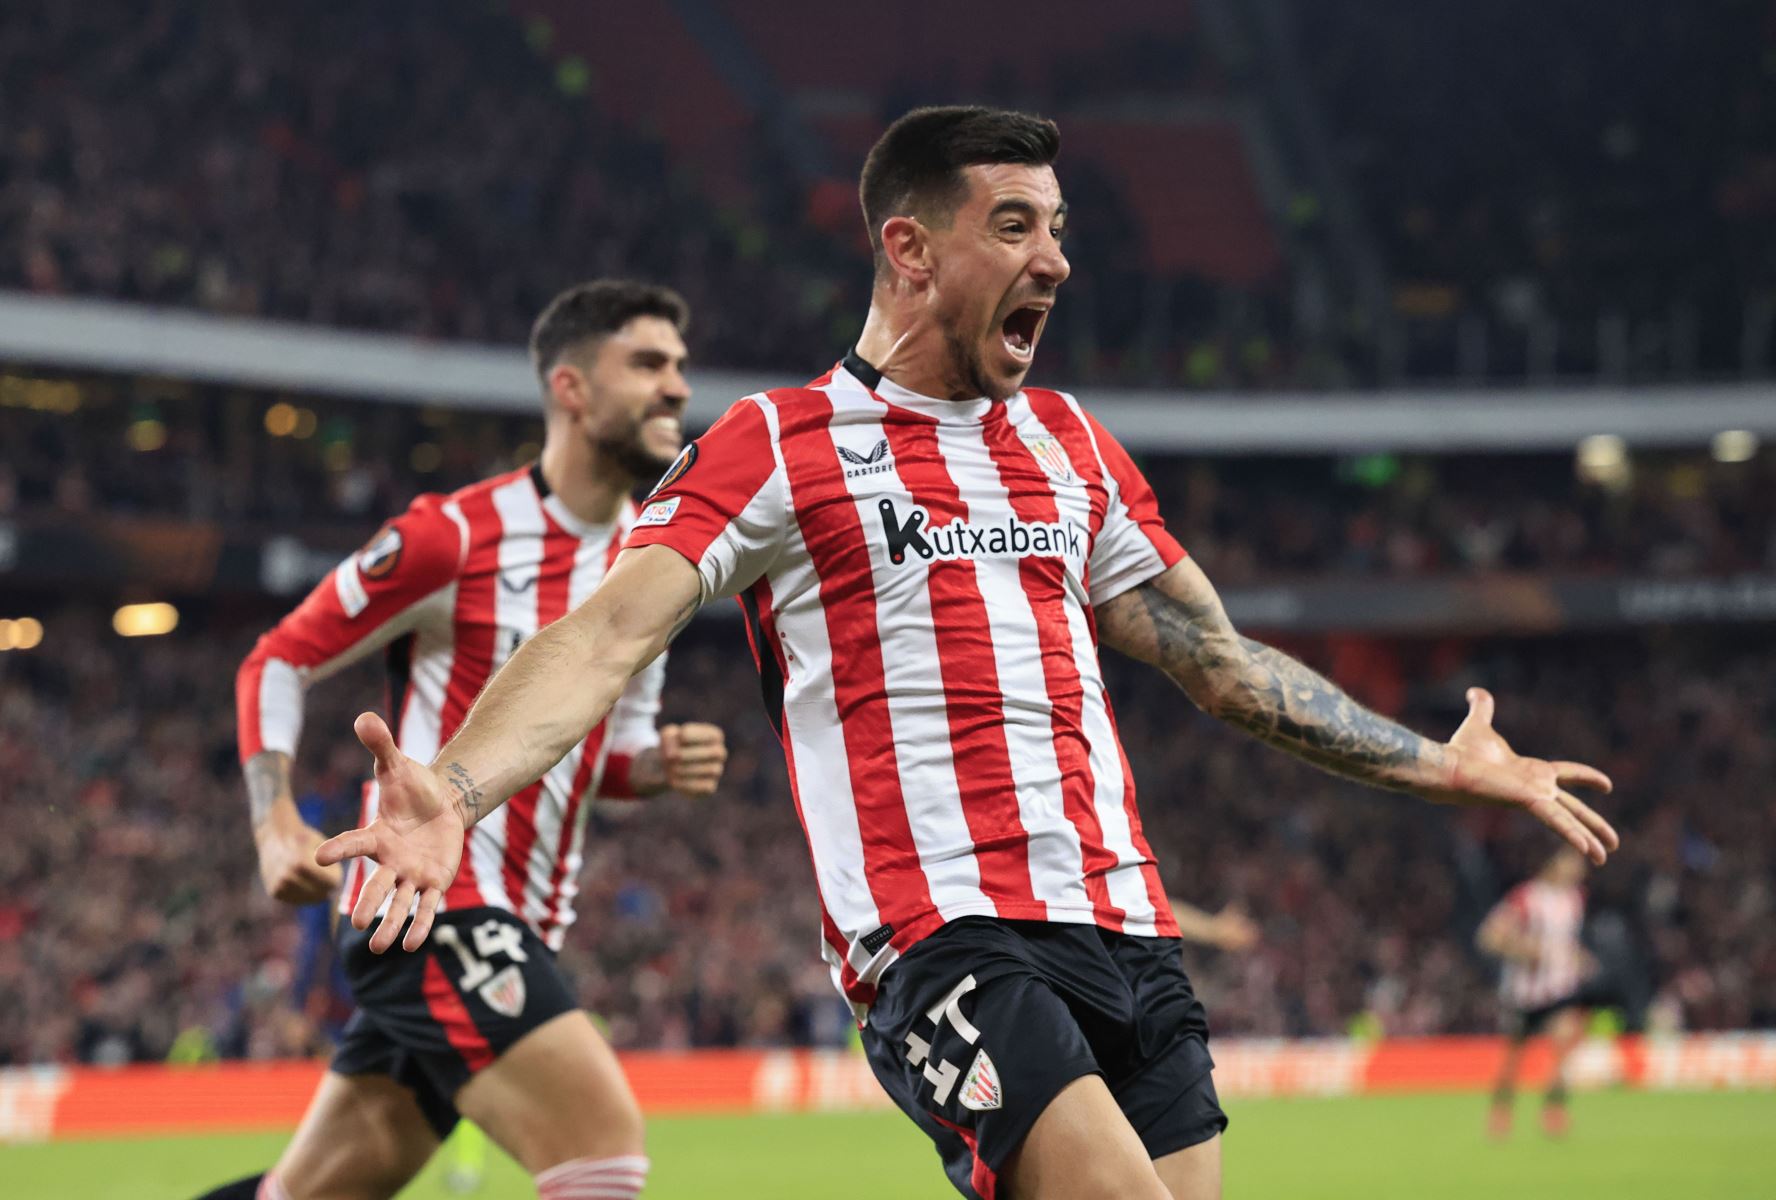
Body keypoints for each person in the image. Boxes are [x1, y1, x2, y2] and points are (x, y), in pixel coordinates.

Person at [314, 107, 1618, 1200]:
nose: (1054, 257)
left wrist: (1431, 763)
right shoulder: (783, 440)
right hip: (948, 937)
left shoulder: (1072, 445)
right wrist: (462, 791)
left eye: (1058, 229)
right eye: (1016, 226)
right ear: (909, 248)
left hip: (1129, 929)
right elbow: (604, 635)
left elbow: (1216, 660)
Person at [195, 280, 729, 1200]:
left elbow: (606, 760)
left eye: (679, 366)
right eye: (647, 364)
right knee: (602, 1150)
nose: (676, 388)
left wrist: (654, 766)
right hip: (432, 909)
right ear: (570, 387)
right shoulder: (455, 537)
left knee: (310, 1194)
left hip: (525, 923)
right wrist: (272, 819)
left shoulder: (650, 568)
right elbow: (277, 661)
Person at [1478, 846, 1595, 1139]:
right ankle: (1501, 1110)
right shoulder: (1526, 897)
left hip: (1560, 990)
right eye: (1571, 861)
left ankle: (1553, 1110)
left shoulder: (1575, 899)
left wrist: (1579, 958)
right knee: (1513, 1059)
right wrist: (1521, 949)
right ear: (1552, 862)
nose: (1578, 869)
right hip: (1524, 994)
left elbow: (1564, 943)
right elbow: (1489, 937)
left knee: (1565, 1042)